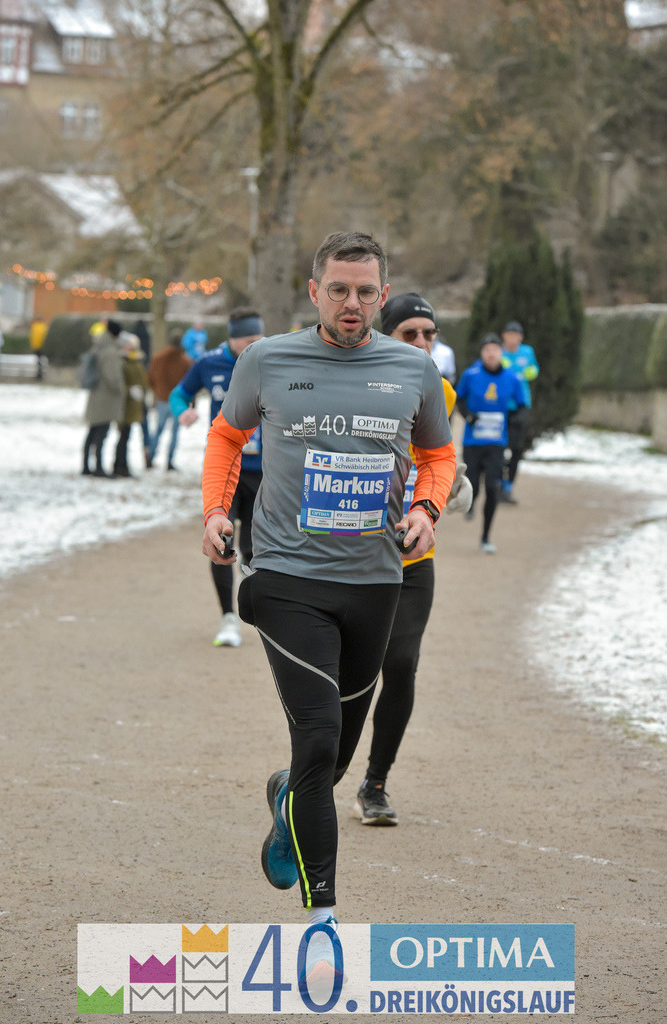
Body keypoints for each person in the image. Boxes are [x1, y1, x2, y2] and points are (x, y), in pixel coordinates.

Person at [200, 232, 456, 981]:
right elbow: (227, 436)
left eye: (365, 291)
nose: (352, 303)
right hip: (287, 578)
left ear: (383, 295)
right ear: (314, 292)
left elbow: (439, 456)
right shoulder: (267, 359)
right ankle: (323, 924)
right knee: (316, 740)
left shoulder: (412, 370)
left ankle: (288, 798)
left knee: (332, 758)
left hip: (375, 581)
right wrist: (215, 512)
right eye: (338, 290)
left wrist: (427, 509)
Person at [354, 292, 472, 826]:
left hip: (410, 555)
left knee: (400, 664)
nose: (422, 343)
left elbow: (439, 460)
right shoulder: (354, 380)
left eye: (430, 334)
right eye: (410, 334)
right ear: (386, 334)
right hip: (350, 552)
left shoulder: (440, 390)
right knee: (346, 673)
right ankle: (316, 774)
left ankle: (375, 783)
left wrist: (451, 487)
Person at [171, 307, 264, 647]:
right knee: (221, 542)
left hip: (264, 471)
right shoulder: (208, 362)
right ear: (232, 338)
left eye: (259, 339)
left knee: (255, 548)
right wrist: (183, 412)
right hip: (226, 470)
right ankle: (227, 617)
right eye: (248, 340)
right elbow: (179, 394)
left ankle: (257, 613)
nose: (254, 346)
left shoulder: (271, 360)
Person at [455, 333, 526, 554]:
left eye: (495, 349)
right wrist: (469, 416)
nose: (491, 353)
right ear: (482, 353)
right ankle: (471, 502)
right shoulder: (471, 374)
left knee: (493, 488)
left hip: (496, 442)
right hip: (472, 442)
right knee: (474, 485)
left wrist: (513, 420)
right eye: (487, 350)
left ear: (501, 353)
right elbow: (459, 398)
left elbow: (522, 404)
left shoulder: (512, 378)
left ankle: (485, 537)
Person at [500, 320, 539, 503]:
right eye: (509, 334)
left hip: (521, 405)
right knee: (498, 448)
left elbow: (534, 369)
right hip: (500, 405)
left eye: (516, 335)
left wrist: (528, 373)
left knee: (515, 448)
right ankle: (498, 484)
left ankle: (509, 486)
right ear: (504, 336)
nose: (512, 338)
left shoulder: (527, 352)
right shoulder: (498, 351)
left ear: (521, 338)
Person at [81, 319, 125, 477]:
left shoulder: (99, 345)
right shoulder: (110, 351)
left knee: (92, 432)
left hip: (96, 395)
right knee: (101, 434)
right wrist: (122, 389)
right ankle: (98, 467)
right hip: (106, 398)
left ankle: (86, 466)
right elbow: (113, 377)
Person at [147, 330, 192, 470]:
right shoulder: (185, 361)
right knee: (174, 432)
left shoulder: (158, 358)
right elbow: (190, 383)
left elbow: (150, 378)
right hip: (179, 402)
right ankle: (170, 461)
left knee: (158, 430)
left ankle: (150, 457)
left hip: (162, 399)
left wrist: (157, 392)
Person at [112, 332, 148, 478]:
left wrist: (142, 389)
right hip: (124, 406)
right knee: (123, 437)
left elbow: (141, 379)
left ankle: (123, 465)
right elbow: (118, 383)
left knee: (127, 436)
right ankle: (119, 466)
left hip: (134, 405)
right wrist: (130, 390)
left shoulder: (136, 359)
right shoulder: (121, 361)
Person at [133, 319, 153, 466]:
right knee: (145, 427)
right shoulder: (143, 356)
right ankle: (147, 453)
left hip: (132, 397)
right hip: (140, 396)